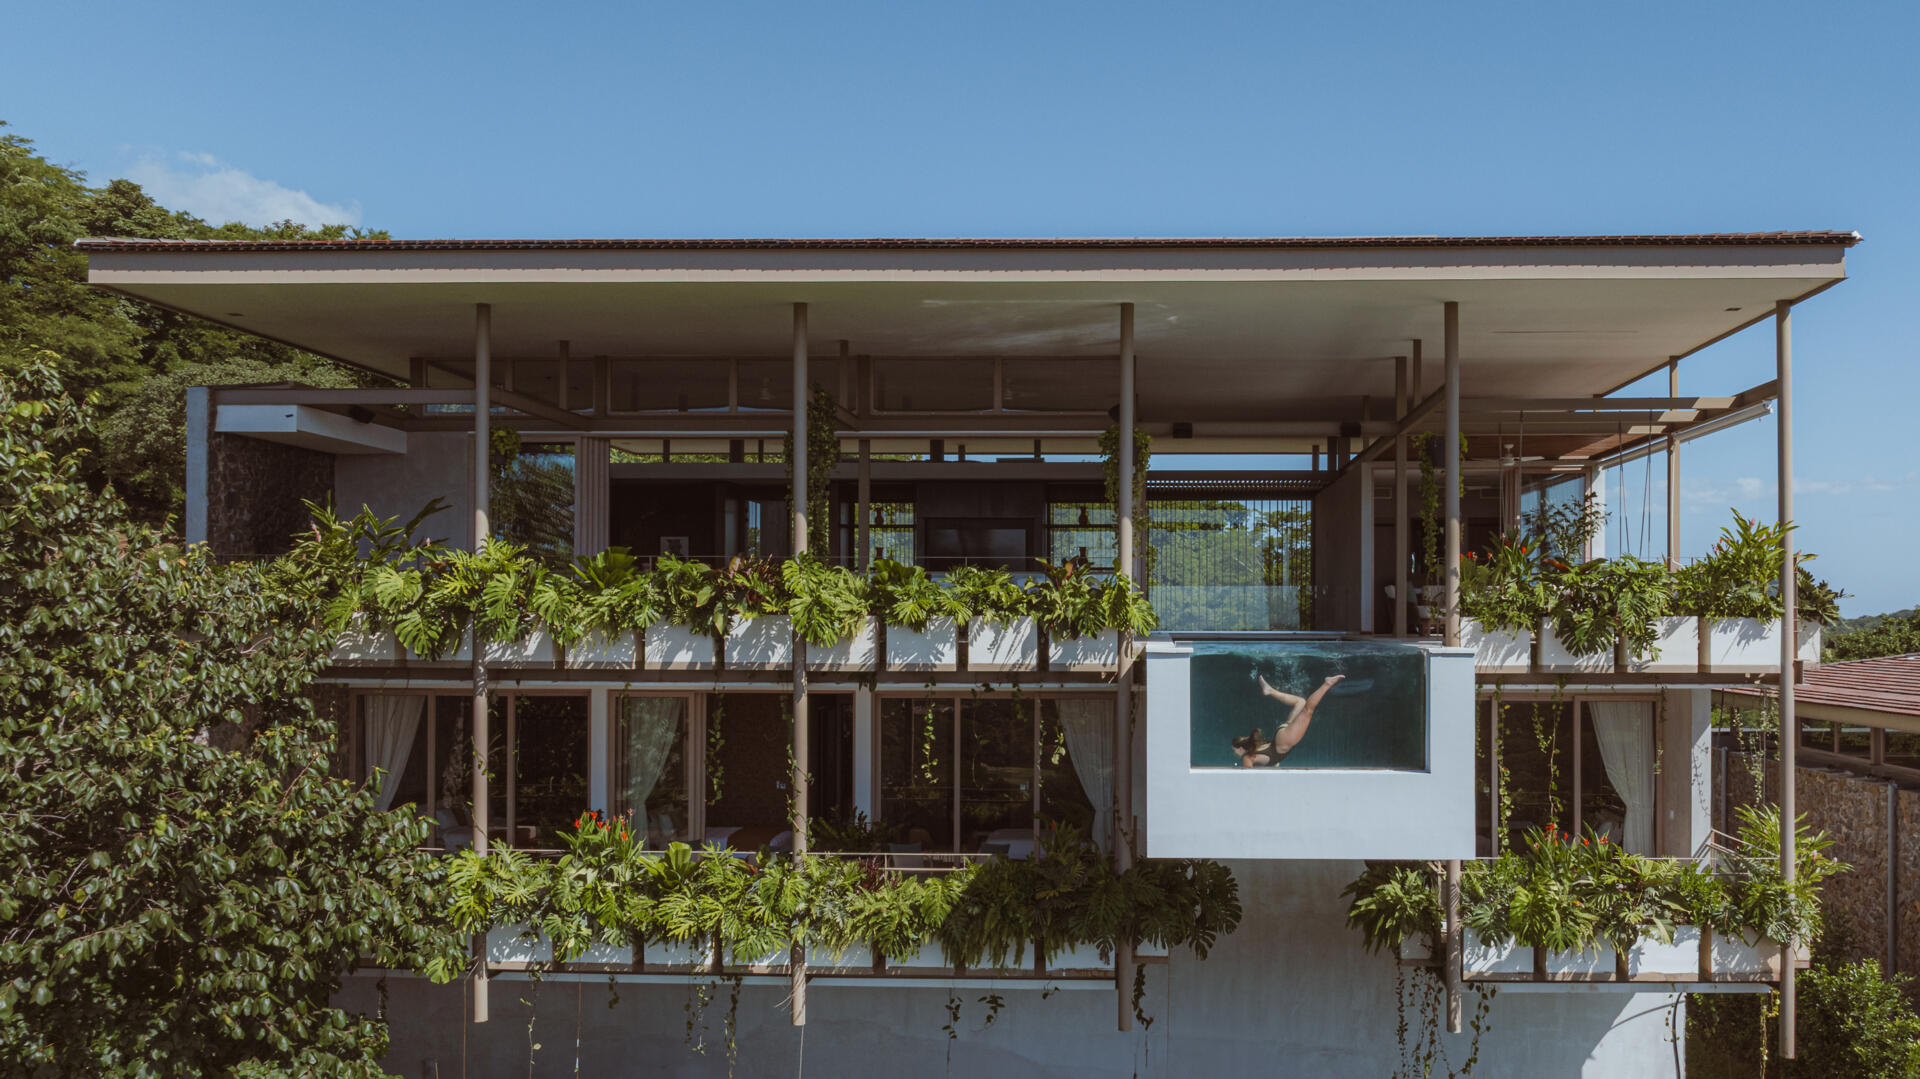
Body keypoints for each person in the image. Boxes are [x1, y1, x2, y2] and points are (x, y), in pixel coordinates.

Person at [1230, 673, 1345, 766]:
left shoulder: (1247, 758)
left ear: (1240, 748)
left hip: (1284, 742)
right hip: (1281, 736)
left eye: (1234, 750)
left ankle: (1327, 684)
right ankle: (1270, 691)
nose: (1234, 753)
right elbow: (1269, 762)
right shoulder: (1256, 749)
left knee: (1307, 711)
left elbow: (1249, 780)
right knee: (1300, 702)